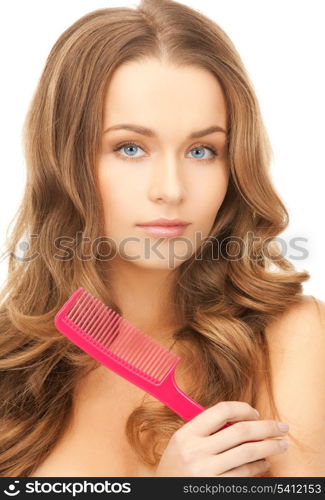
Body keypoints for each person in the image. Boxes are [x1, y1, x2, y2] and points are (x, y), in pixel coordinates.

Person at [0, 0, 324, 478]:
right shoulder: (10, 367)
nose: (171, 190)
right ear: (66, 161)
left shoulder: (291, 341)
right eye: (130, 148)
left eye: (201, 150)